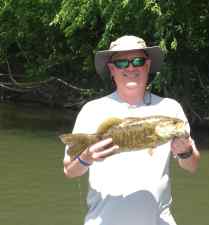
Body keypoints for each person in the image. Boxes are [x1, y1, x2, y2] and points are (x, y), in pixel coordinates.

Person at [63, 35, 200, 225]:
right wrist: (87, 157)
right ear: (112, 69)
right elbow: (69, 171)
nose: (130, 67)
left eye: (138, 61)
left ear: (148, 65)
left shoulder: (171, 109)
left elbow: (192, 165)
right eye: (121, 63)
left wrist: (185, 152)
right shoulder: (92, 110)